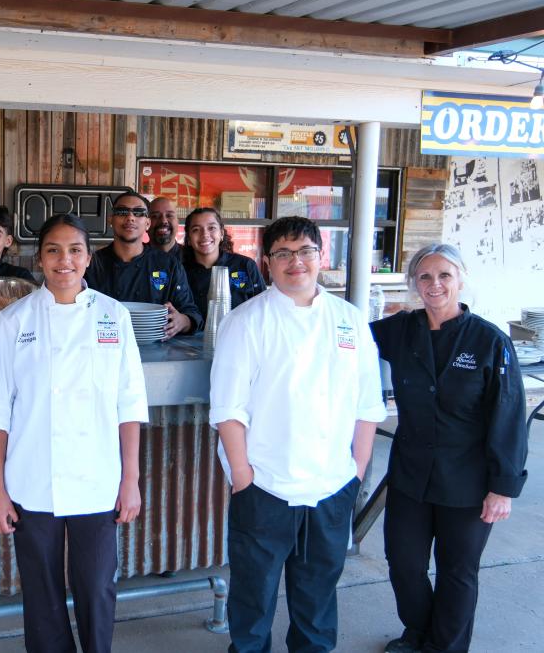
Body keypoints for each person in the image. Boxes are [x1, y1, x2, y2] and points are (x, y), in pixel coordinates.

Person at [210, 215, 386, 653]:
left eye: (305, 251)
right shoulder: (246, 321)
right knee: (253, 596)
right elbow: (228, 410)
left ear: (321, 256)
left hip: (331, 485)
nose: (296, 262)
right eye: (283, 253)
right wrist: (242, 475)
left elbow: (367, 405)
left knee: (318, 596)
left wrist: (355, 473)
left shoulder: (348, 320)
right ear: (266, 261)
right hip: (266, 484)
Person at [0, 213, 148, 653]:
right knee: (42, 596)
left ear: (89, 258)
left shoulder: (114, 316)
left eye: (74, 250)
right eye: (53, 250)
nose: (64, 260)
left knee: (96, 588)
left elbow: (129, 403)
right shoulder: (14, 320)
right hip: (31, 477)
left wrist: (130, 479)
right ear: (39, 259)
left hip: (98, 478)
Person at [370, 244, 528, 653]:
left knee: (458, 572)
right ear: (413, 284)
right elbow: (343, 338)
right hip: (411, 474)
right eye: (424, 276)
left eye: (444, 275)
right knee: (404, 564)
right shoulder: (398, 330)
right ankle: (418, 633)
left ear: (460, 280)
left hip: (469, 479)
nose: (434, 284)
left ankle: (446, 647)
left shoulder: (490, 341)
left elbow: (509, 416)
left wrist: (503, 487)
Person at [85, 191, 202, 338]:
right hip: (105, 349)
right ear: (111, 220)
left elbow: (191, 312)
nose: (130, 218)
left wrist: (182, 321)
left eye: (138, 213)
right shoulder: (92, 263)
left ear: (148, 223)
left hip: (159, 351)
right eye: (122, 212)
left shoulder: (169, 264)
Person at [182, 207, 265, 321]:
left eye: (211, 228)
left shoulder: (245, 265)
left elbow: (263, 307)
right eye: (196, 229)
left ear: (221, 233)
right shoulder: (180, 271)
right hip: (192, 338)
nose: (205, 234)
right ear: (189, 238)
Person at [146, 196, 182, 261]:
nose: (163, 221)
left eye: (169, 215)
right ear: (146, 224)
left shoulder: (192, 257)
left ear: (177, 223)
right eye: (155, 216)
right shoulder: (135, 257)